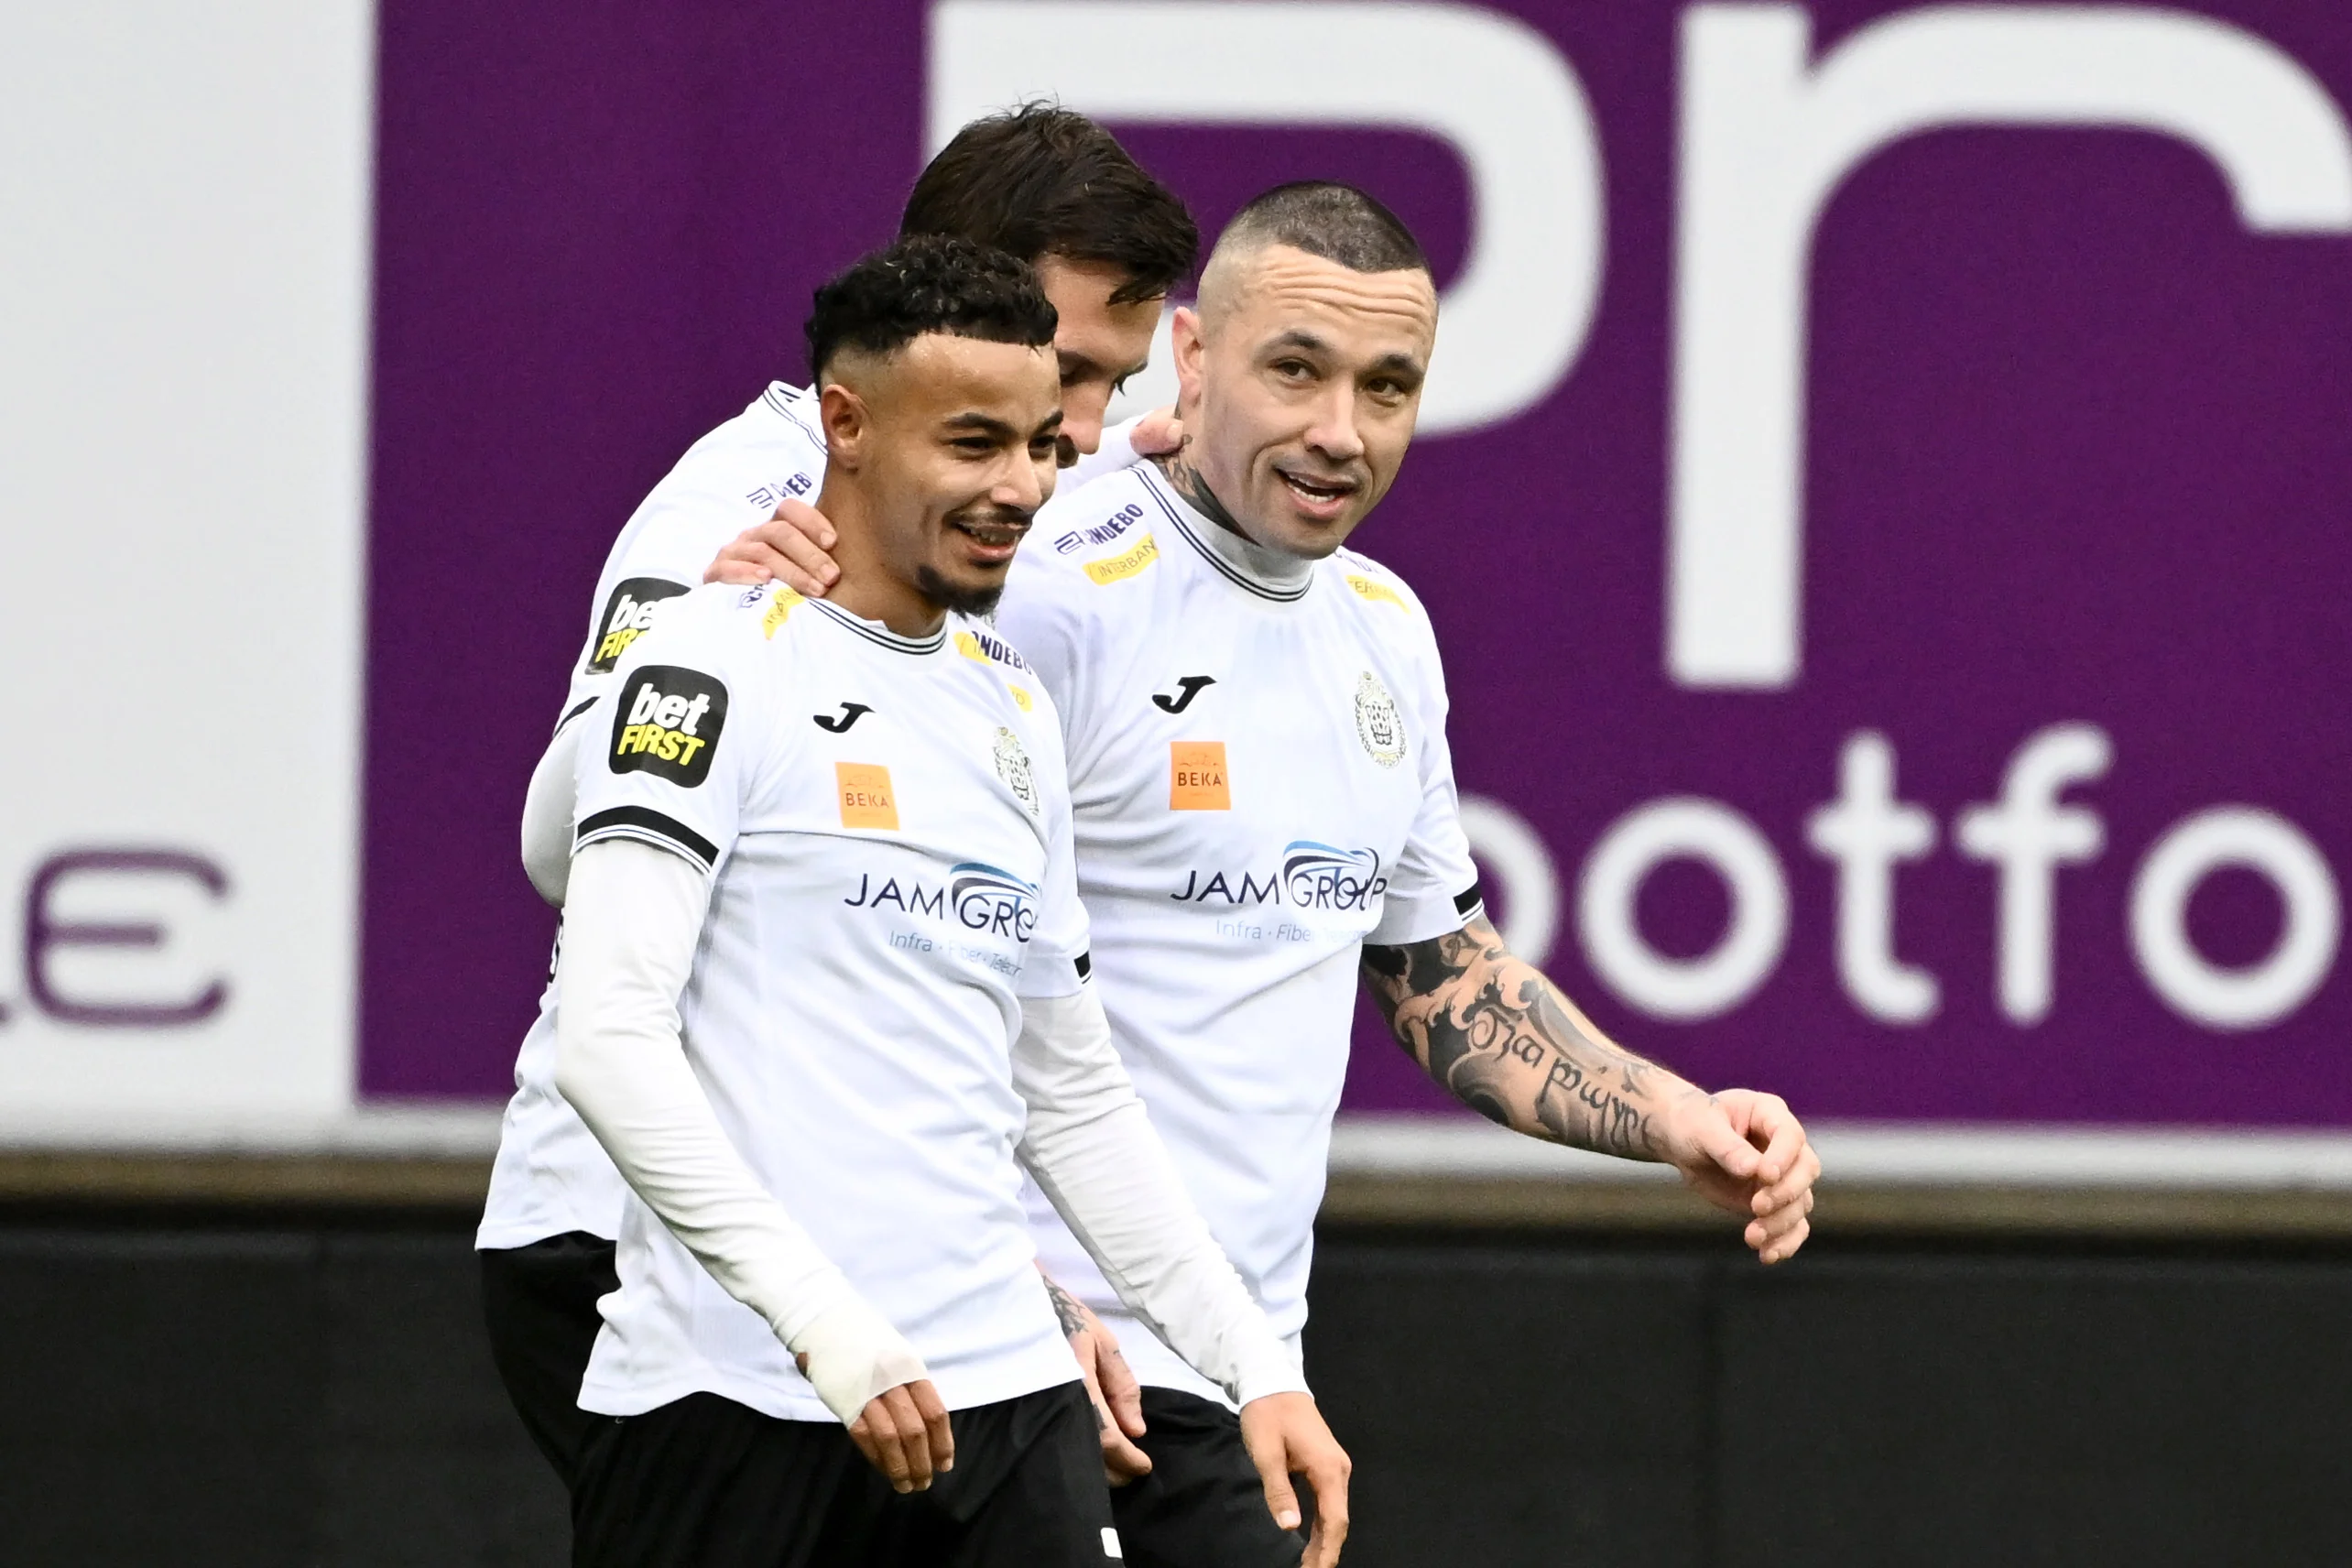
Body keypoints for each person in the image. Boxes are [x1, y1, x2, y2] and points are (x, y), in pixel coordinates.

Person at [706, 182, 1823, 1568]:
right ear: (1189, 359)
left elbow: (1439, 971)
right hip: (1012, 1362)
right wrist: (1021, 1288)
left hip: (1235, 1374)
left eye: (1388, 387)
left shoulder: (1385, 635)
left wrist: (1672, 1116)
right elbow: (858, 961)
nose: (1339, 432)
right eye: (1296, 369)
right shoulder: (1039, 593)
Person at [554, 233, 1347, 1567]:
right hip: (736, 1401)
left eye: (1041, 444)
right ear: (847, 424)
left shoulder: (1011, 708)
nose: (1021, 488)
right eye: (974, 444)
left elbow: (1073, 1096)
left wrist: (1251, 1365)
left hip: (1001, 1408)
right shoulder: (701, 661)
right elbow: (609, 1043)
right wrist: (832, 1331)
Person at [477, 105, 1195, 1494]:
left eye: (1115, 384)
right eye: (1076, 369)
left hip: (867, 1258)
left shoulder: (1026, 498)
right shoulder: (734, 508)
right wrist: (703, 627)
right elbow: (552, 843)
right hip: (631, 1238)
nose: (1092, 427)